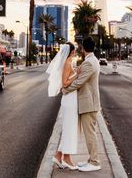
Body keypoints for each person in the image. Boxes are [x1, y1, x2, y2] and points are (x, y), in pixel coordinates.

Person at [62, 36, 101, 172]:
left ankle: (95, 162)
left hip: (89, 103)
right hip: (89, 103)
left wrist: (65, 89)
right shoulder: (90, 61)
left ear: (83, 48)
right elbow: (80, 74)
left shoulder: (89, 63)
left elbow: (79, 82)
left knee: (90, 134)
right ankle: (91, 160)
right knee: (90, 132)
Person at [46, 42, 79, 170]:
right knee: (69, 129)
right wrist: (77, 74)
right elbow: (64, 83)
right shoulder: (67, 62)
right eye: (74, 50)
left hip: (71, 99)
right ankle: (67, 159)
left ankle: (59, 155)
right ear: (71, 51)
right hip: (69, 100)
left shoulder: (69, 62)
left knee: (69, 129)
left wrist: (75, 72)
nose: (75, 52)